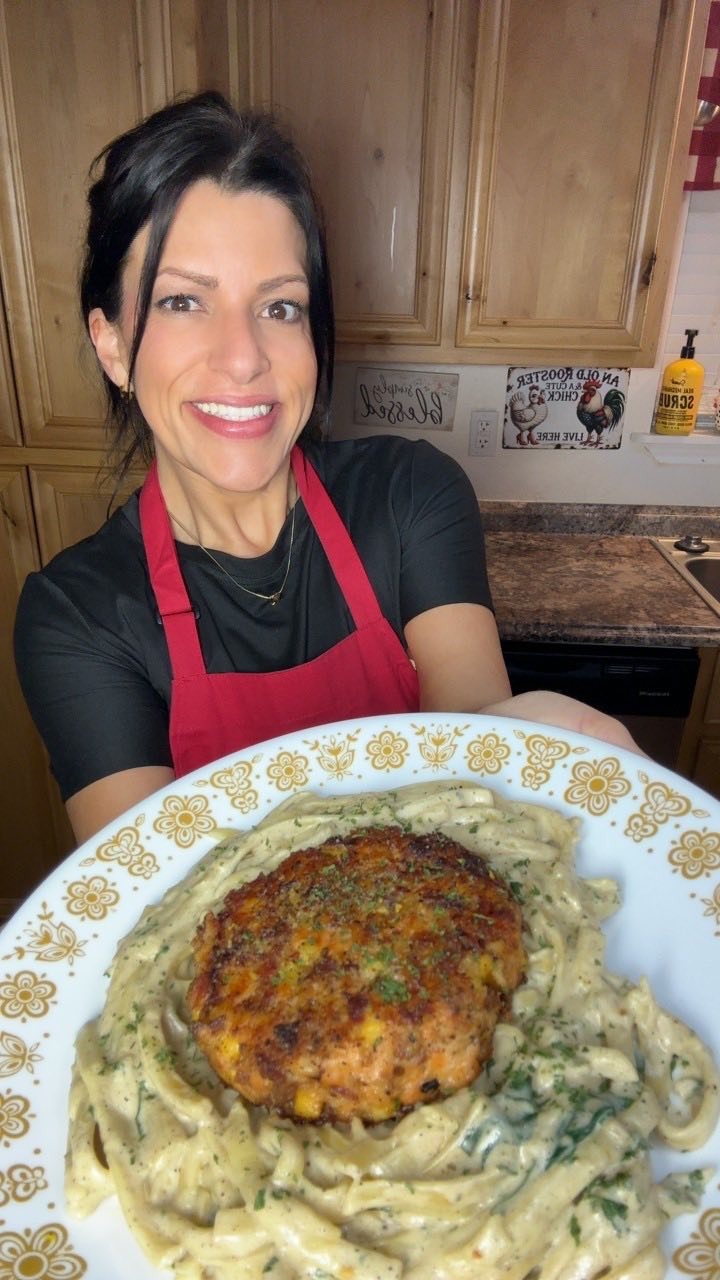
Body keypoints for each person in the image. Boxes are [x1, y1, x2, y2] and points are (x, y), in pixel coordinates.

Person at [14, 92, 637, 847]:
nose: (244, 357)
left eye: (280, 308)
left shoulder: (410, 495)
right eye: (183, 301)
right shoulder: (77, 615)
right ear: (112, 345)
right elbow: (144, 893)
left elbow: (470, 727)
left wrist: (514, 740)